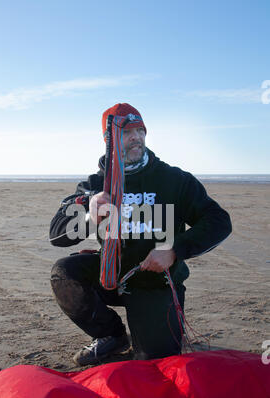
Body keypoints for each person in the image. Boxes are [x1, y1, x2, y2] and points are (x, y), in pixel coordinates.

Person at [49, 103, 232, 366]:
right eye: (127, 132)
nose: (136, 137)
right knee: (64, 272)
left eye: (140, 130)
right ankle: (110, 335)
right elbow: (57, 235)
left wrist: (174, 250)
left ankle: (148, 333)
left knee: (152, 366)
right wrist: (89, 216)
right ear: (109, 141)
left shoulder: (173, 180)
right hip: (111, 277)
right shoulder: (95, 185)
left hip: (155, 283)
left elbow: (219, 221)